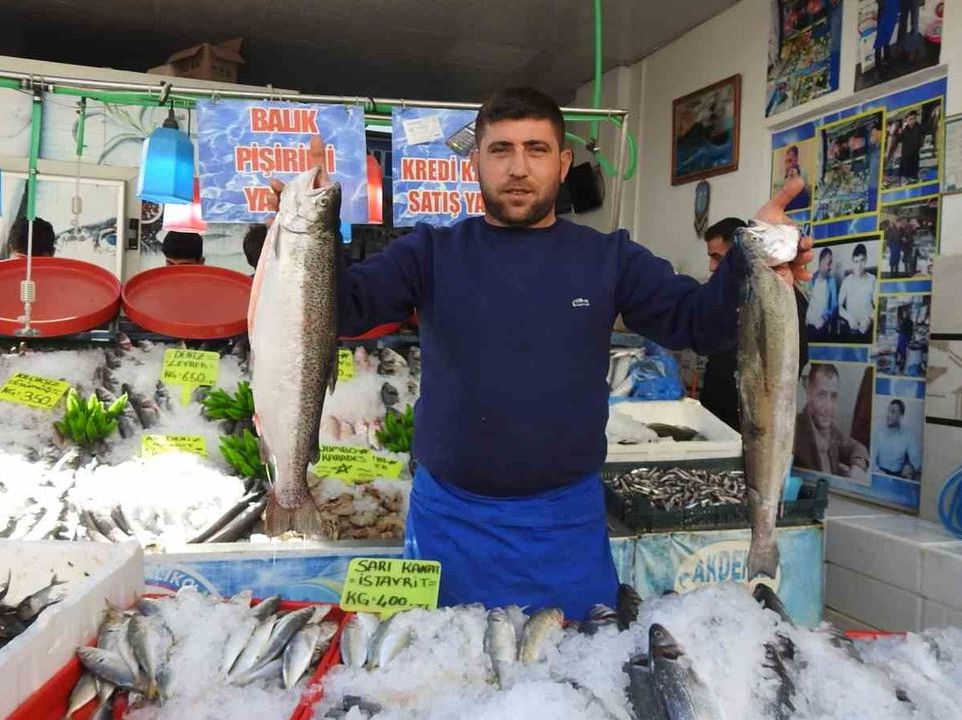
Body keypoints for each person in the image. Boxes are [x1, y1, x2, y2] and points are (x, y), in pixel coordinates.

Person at [251, 87, 814, 619]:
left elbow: (701, 324)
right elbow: (339, 310)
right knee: (441, 679)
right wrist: (297, 240)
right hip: (447, 519)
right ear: (475, 162)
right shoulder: (429, 252)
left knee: (570, 678)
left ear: (563, 165)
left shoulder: (610, 258)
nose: (518, 168)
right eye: (500, 150)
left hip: (565, 523)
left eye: (536, 150)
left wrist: (754, 259)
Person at [698, 217, 809, 431]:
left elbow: (795, 357)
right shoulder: (718, 296)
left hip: (756, 417)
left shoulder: (780, 296)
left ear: (736, 253)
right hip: (714, 414)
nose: (712, 267)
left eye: (717, 257)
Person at [794, 363, 869, 480]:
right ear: (809, 393)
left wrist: (857, 467)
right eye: (821, 395)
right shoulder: (795, 432)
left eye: (833, 396)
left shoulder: (831, 430)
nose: (828, 407)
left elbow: (857, 447)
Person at [874, 399, 921, 479]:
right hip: (880, 474)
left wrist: (911, 467)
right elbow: (871, 459)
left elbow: (916, 460)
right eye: (888, 411)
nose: (888, 415)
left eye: (893, 412)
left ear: (901, 416)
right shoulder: (879, 432)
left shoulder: (908, 435)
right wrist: (877, 471)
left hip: (898, 476)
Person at [838, 243, 876, 341]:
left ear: (866, 260)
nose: (859, 265)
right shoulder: (847, 281)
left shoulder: (872, 280)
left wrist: (869, 319)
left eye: (862, 260)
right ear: (852, 262)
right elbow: (838, 306)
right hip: (851, 327)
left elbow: (878, 307)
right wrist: (849, 318)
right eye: (856, 261)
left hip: (867, 327)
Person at [806, 247, 839, 339]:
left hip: (823, 327)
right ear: (821, 262)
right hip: (808, 327)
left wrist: (824, 318)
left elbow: (835, 305)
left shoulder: (831, 282)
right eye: (829, 263)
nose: (830, 267)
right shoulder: (810, 279)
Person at [888, 110, 923, 184]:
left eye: (914, 118)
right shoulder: (905, 131)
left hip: (914, 156)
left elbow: (925, 132)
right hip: (905, 157)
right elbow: (897, 139)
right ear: (907, 120)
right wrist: (895, 131)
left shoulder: (919, 128)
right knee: (904, 176)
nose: (912, 121)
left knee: (913, 176)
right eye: (910, 119)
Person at [781, 146, 811, 211]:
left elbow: (807, 190)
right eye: (788, 156)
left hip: (800, 204)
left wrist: (797, 178)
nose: (790, 158)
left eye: (792, 156)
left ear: (796, 159)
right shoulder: (785, 175)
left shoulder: (802, 171)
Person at [895, 304, 914, 374]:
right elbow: (902, 329)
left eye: (905, 313)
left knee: (903, 353)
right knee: (898, 351)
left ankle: (901, 367)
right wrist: (899, 330)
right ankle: (898, 363)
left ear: (907, 314)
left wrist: (901, 330)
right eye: (903, 313)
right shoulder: (903, 321)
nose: (904, 314)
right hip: (901, 337)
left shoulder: (909, 322)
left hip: (905, 338)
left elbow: (910, 331)